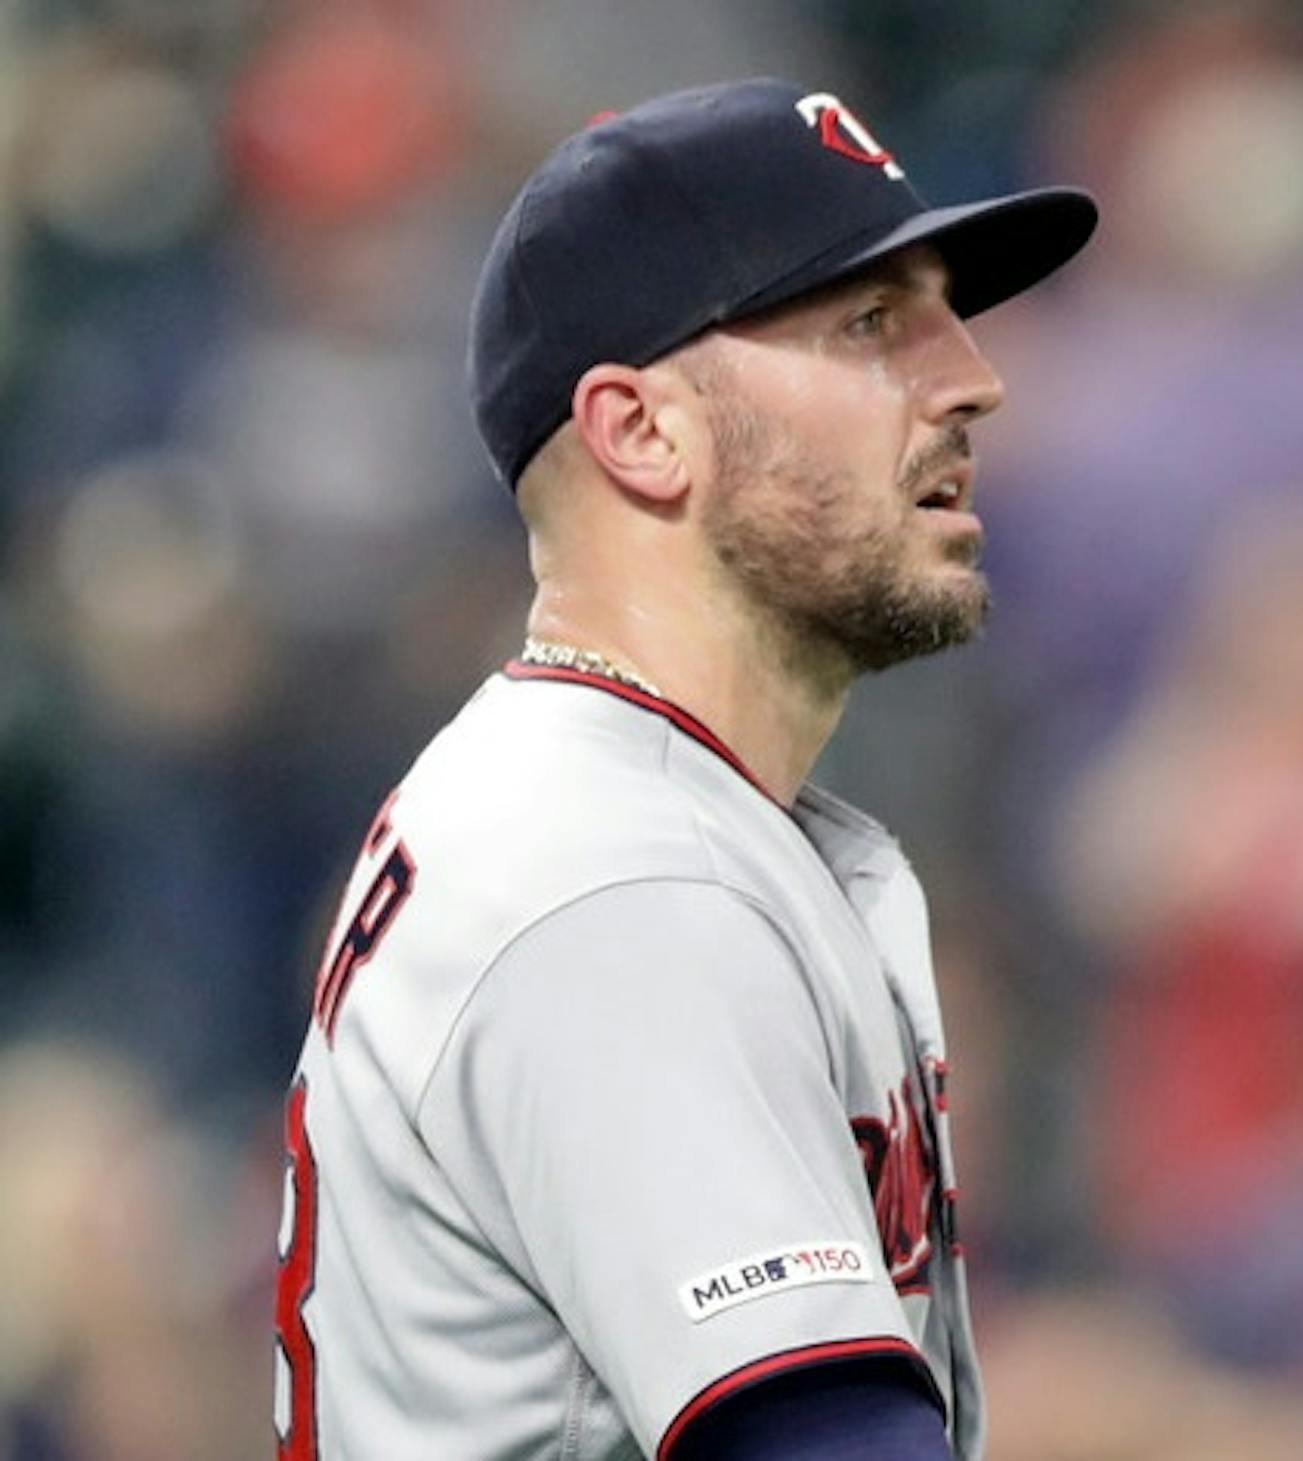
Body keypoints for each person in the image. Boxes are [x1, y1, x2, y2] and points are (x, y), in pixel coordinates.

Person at [271, 79, 1095, 1461]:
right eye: (873, 323)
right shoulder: (617, 877)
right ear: (643, 432)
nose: (974, 377)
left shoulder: (631, 810)